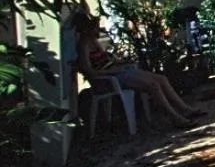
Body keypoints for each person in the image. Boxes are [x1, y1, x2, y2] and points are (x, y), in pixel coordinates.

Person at [74, 10, 204, 128]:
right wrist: (111, 71)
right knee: (153, 85)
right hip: (108, 79)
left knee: (161, 79)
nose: (97, 29)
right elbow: (89, 71)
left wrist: (120, 63)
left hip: (117, 73)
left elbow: (106, 61)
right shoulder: (83, 45)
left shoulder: (93, 40)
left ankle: (185, 109)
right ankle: (175, 118)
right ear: (86, 28)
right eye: (94, 27)